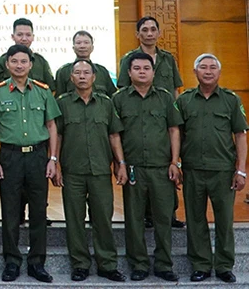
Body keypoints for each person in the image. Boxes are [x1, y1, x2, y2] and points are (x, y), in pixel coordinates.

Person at [0, 44, 60, 283]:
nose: (19, 65)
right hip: (10, 157)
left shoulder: (43, 91)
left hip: (38, 157)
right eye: (14, 61)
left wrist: (53, 159)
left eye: (23, 61)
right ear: (7, 64)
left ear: (31, 64)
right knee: (10, 211)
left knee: (39, 210)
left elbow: (51, 126)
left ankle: (37, 262)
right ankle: (11, 261)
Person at [177, 54, 248, 284]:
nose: (208, 71)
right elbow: (176, 134)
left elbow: (240, 135)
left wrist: (241, 169)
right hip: (193, 169)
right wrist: (176, 163)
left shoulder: (230, 99)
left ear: (219, 72)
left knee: (224, 221)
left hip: (223, 171)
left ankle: (225, 266)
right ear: (195, 71)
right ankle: (201, 265)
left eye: (213, 67)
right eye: (203, 67)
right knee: (195, 219)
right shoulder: (185, 100)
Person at [53, 59, 127, 282]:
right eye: (78, 73)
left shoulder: (106, 103)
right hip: (72, 170)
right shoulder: (62, 103)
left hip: (100, 171)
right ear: (71, 78)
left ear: (94, 77)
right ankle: (80, 264)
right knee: (74, 220)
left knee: (103, 218)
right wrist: (54, 162)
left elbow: (114, 135)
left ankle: (107, 264)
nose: (82, 76)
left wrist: (121, 163)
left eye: (87, 72)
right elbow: (58, 135)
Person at [111, 52, 182, 282]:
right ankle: (139, 264)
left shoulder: (164, 97)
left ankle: (164, 264)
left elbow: (174, 130)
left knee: (163, 217)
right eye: (137, 68)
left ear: (153, 72)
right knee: (134, 218)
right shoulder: (119, 99)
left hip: (162, 167)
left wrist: (175, 162)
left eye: (146, 68)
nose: (142, 71)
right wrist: (120, 163)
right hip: (133, 168)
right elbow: (115, 134)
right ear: (129, 72)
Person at [117, 16, 185, 229]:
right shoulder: (128, 59)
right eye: (144, 30)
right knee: (140, 172)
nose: (149, 33)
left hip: (163, 117)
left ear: (158, 32)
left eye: (153, 29)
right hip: (137, 119)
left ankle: (168, 214)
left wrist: (173, 115)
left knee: (165, 169)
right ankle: (146, 215)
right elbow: (122, 89)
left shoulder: (168, 58)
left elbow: (175, 89)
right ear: (137, 34)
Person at [0, 18, 55, 92]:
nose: (24, 39)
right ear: (13, 36)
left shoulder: (41, 62)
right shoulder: (2, 61)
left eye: (28, 35)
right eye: (20, 35)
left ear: (33, 37)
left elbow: (51, 89)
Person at [54, 31, 117, 96]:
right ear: (73, 48)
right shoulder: (63, 72)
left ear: (92, 47)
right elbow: (58, 101)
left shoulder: (102, 71)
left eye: (86, 42)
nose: (82, 46)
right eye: (78, 43)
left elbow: (112, 97)